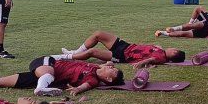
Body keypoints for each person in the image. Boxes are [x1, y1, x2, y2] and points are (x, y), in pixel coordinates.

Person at [0, 56, 123, 99]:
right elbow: (107, 61)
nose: (111, 69)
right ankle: (41, 89)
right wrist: (108, 63)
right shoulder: (96, 66)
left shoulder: (93, 79)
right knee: (49, 72)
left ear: (108, 80)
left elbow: (85, 87)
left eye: (113, 72)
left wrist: (77, 89)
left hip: (44, 76)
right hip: (46, 63)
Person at [57, 31, 185, 68]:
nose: (172, 47)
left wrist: (141, 64)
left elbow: (150, 59)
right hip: (126, 46)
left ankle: (65, 57)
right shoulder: (160, 50)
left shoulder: (161, 57)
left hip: (122, 55)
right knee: (98, 34)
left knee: (92, 53)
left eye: (174, 49)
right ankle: (75, 52)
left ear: (174, 53)